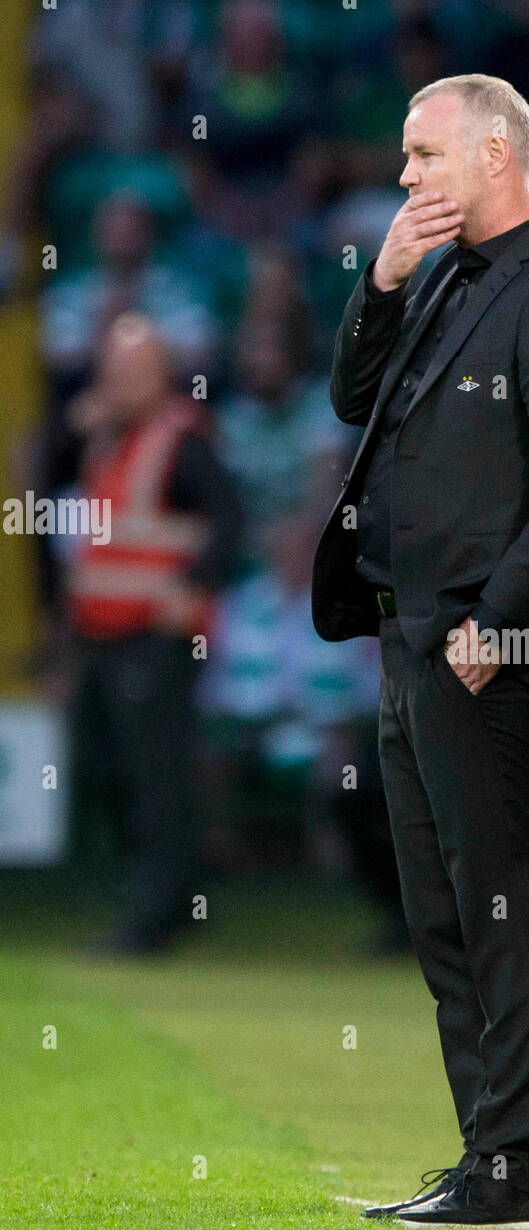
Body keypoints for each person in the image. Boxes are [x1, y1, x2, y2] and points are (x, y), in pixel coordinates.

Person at [310, 74, 529, 1228]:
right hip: (406, 633)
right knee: (443, 909)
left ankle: (512, 1163)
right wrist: (382, 279)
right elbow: (354, 400)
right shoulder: (440, 275)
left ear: (497, 154)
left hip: (478, 643)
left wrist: (499, 613)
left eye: (423, 154)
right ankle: (481, 1150)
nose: (405, 176)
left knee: (495, 898)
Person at [65, 313, 241, 956]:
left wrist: (193, 588)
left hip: (159, 640)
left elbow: (230, 520)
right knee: (109, 770)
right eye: (110, 369)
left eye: (132, 371)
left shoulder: (182, 443)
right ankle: (175, 897)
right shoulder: (101, 438)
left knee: (156, 779)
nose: (117, 383)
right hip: (102, 640)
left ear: (162, 376)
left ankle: (158, 914)